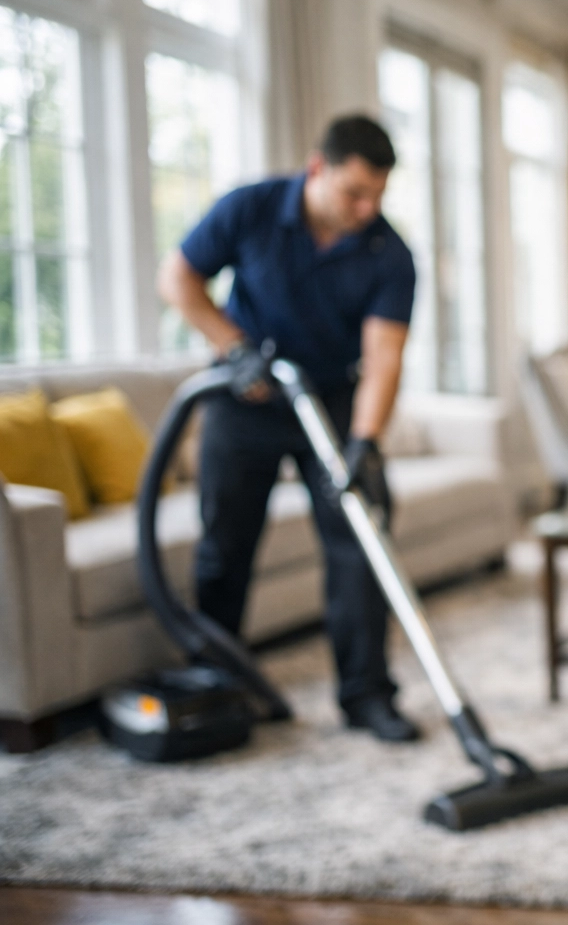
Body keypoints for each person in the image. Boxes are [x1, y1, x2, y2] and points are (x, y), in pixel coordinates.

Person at [158, 114, 420, 743]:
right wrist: (233, 346)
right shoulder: (250, 208)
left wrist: (365, 443)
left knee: (360, 536)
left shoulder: (390, 253)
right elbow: (178, 279)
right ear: (317, 169)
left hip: (329, 400)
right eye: (354, 193)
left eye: (377, 196)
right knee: (225, 544)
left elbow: (384, 357)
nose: (366, 209)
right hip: (244, 393)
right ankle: (218, 685)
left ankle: (367, 696)